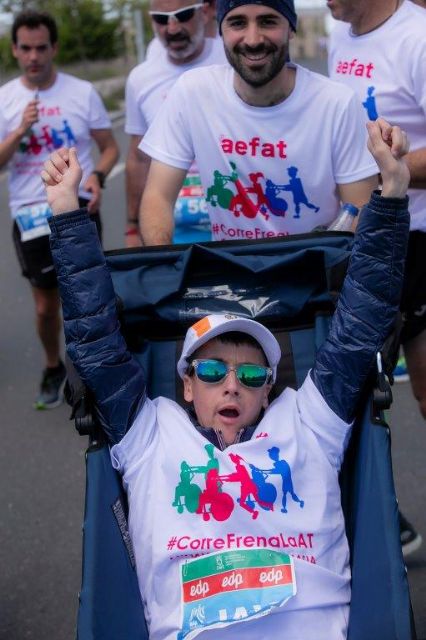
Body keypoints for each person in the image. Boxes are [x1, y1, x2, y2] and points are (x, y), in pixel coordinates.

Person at [42, 117, 409, 639]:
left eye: (252, 373)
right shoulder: (150, 433)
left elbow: (361, 324)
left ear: (268, 388)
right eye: (212, 371)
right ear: (187, 385)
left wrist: (391, 193)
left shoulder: (308, 421)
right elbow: (96, 345)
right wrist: (65, 212)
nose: (231, 385)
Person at [137, 0, 379, 245]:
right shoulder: (193, 92)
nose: (253, 40)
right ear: (221, 30)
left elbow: (361, 211)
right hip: (228, 275)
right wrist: (163, 267)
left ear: (291, 28)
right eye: (238, 23)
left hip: (312, 276)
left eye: (268, 21)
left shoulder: (336, 103)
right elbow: (158, 196)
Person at [327, 0, 426, 557]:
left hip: (418, 242)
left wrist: (383, 170)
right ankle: (380, 521)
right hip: (365, 238)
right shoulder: (345, 35)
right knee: (352, 391)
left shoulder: (416, 38)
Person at [0, 10, 119, 409]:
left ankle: (91, 368)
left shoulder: (81, 92)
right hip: (31, 213)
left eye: (41, 48)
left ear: (54, 48)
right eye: (26, 48)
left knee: (88, 295)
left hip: (76, 206)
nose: (34, 56)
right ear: (15, 50)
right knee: (45, 304)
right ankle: (53, 366)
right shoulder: (6, 99)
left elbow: (109, 148)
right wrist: (19, 130)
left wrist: (97, 178)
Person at [124, 0, 226, 247]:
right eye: (161, 19)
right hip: (171, 226)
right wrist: (132, 228)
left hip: (232, 215)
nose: (172, 28)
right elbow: (139, 159)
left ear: (204, 13)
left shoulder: (232, 57)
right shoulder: (141, 78)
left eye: (183, 15)